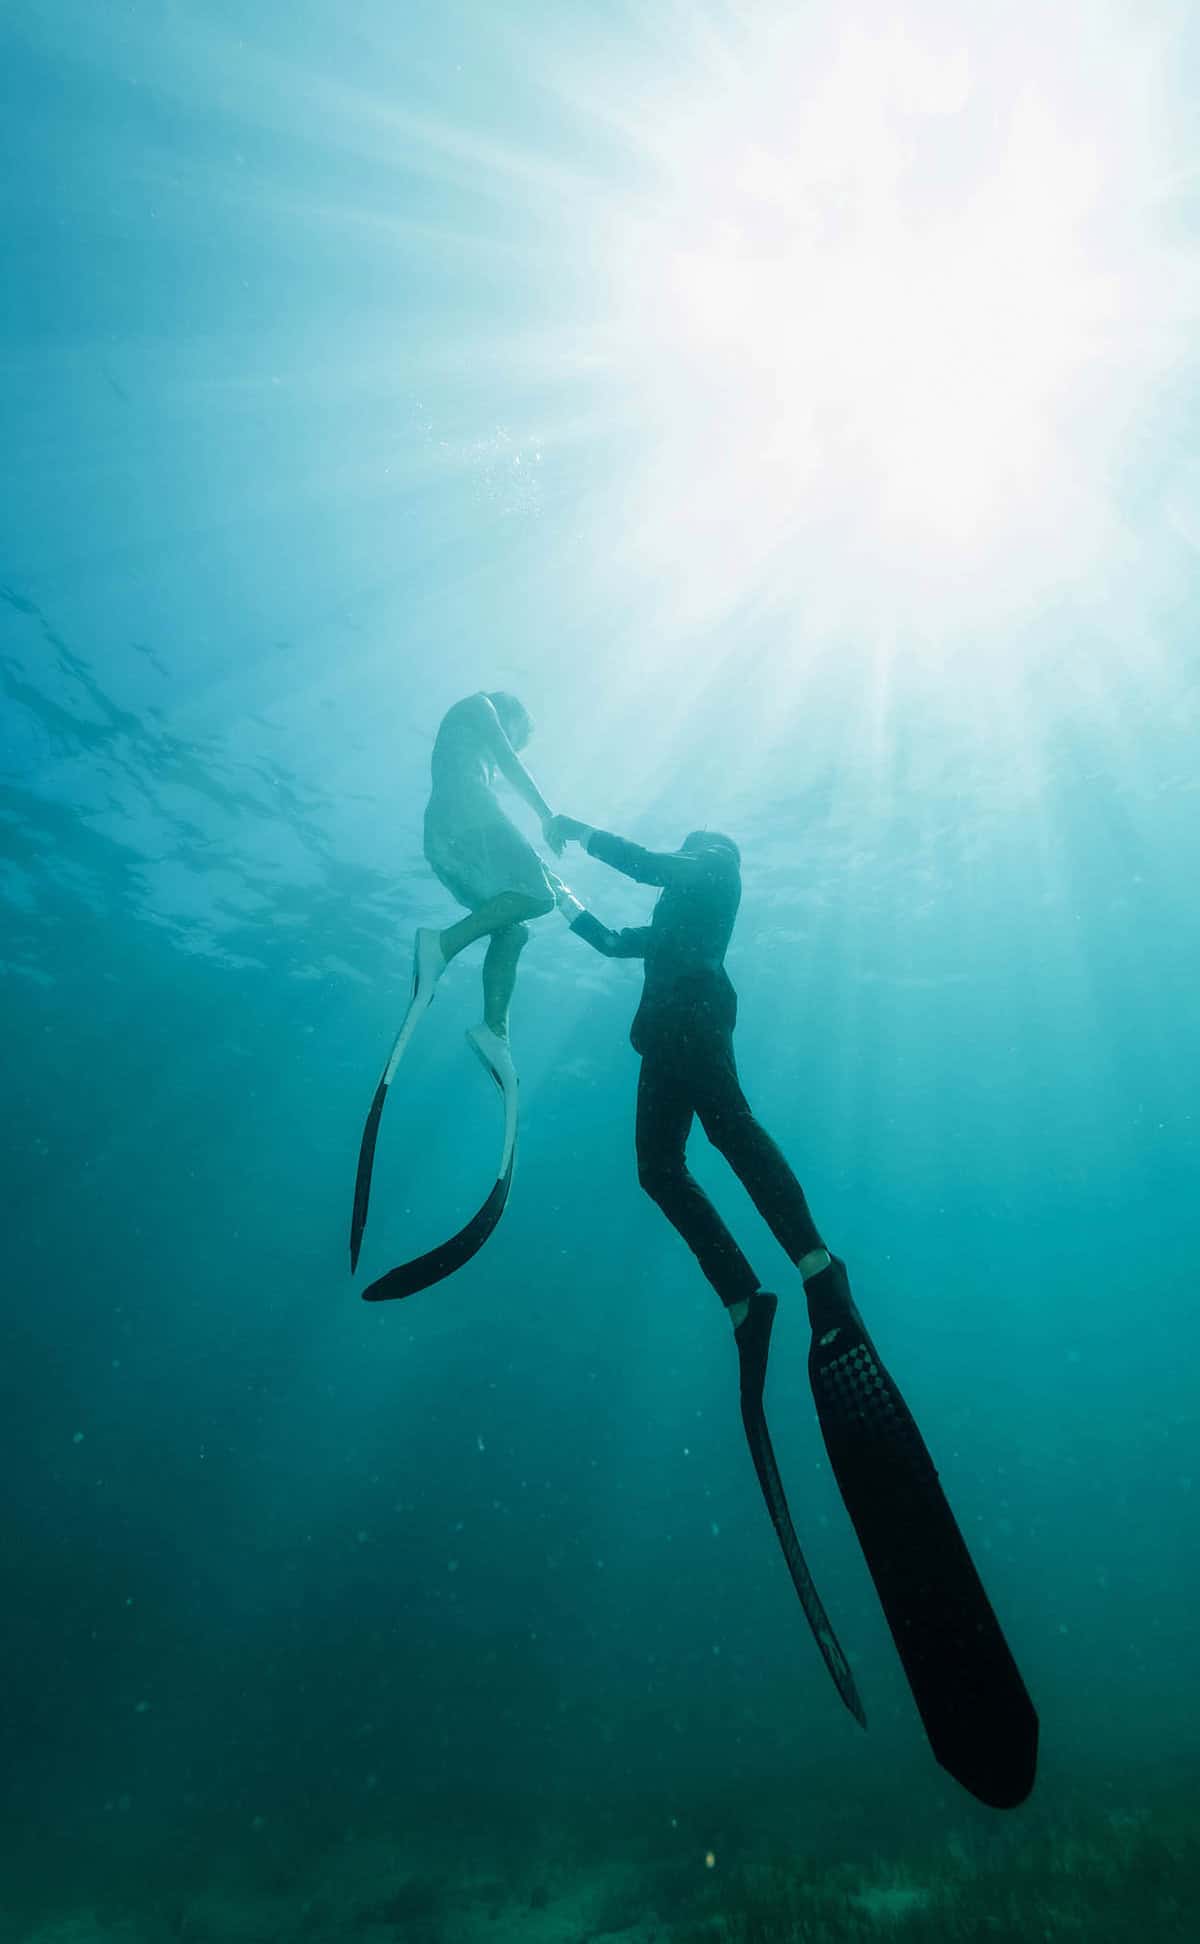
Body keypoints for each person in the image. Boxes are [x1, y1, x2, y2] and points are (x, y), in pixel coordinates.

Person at [547, 814, 836, 1369]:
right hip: (662, 1037)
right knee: (658, 1169)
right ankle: (742, 1295)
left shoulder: (717, 867)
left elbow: (648, 866)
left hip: (696, 1018)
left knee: (730, 1127)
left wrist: (581, 833)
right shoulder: (674, 918)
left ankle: (816, 1264)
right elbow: (609, 941)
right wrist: (560, 896)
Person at [415, 691, 563, 1072]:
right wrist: (548, 817)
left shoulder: (463, 745)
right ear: (514, 715)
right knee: (539, 896)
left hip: (443, 838)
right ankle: (442, 944)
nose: (516, 744)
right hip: (464, 813)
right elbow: (506, 757)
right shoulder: (481, 704)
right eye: (519, 736)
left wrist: (536, 864)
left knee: (513, 929)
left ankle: (493, 1029)